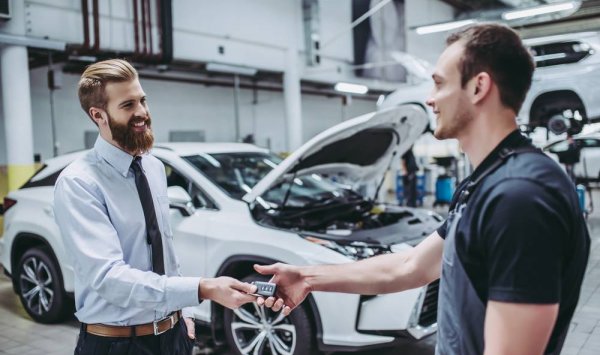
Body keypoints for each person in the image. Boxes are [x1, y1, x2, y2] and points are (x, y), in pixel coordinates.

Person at [255, 24, 590, 355]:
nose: (430, 99)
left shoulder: (519, 197)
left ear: (478, 87)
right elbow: (411, 266)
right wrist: (308, 278)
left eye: (439, 84)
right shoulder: (486, 183)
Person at [54, 59, 257, 355]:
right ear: (98, 115)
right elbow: (109, 279)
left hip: (173, 336)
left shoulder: (153, 167)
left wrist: (184, 312)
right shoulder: (79, 182)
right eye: (127, 105)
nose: (142, 113)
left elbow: (165, 254)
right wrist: (202, 288)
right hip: (117, 344)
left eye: (142, 101)